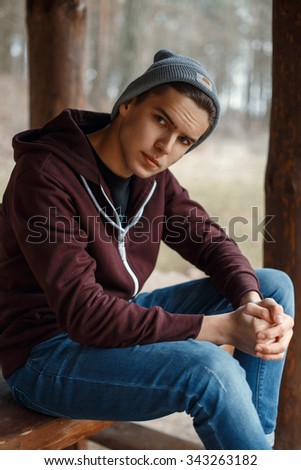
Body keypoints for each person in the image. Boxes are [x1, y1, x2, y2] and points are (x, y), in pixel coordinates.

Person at [0, 49, 294, 450]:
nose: (164, 147)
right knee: (209, 370)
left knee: (273, 286)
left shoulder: (154, 179)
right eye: (161, 120)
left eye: (183, 140)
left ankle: (252, 449)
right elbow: (85, 315)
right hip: (45, 356)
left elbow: (211, 241)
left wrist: (251, 302)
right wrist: (222, 329)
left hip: (117, 323)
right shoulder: (46, 176)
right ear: (128, 104)